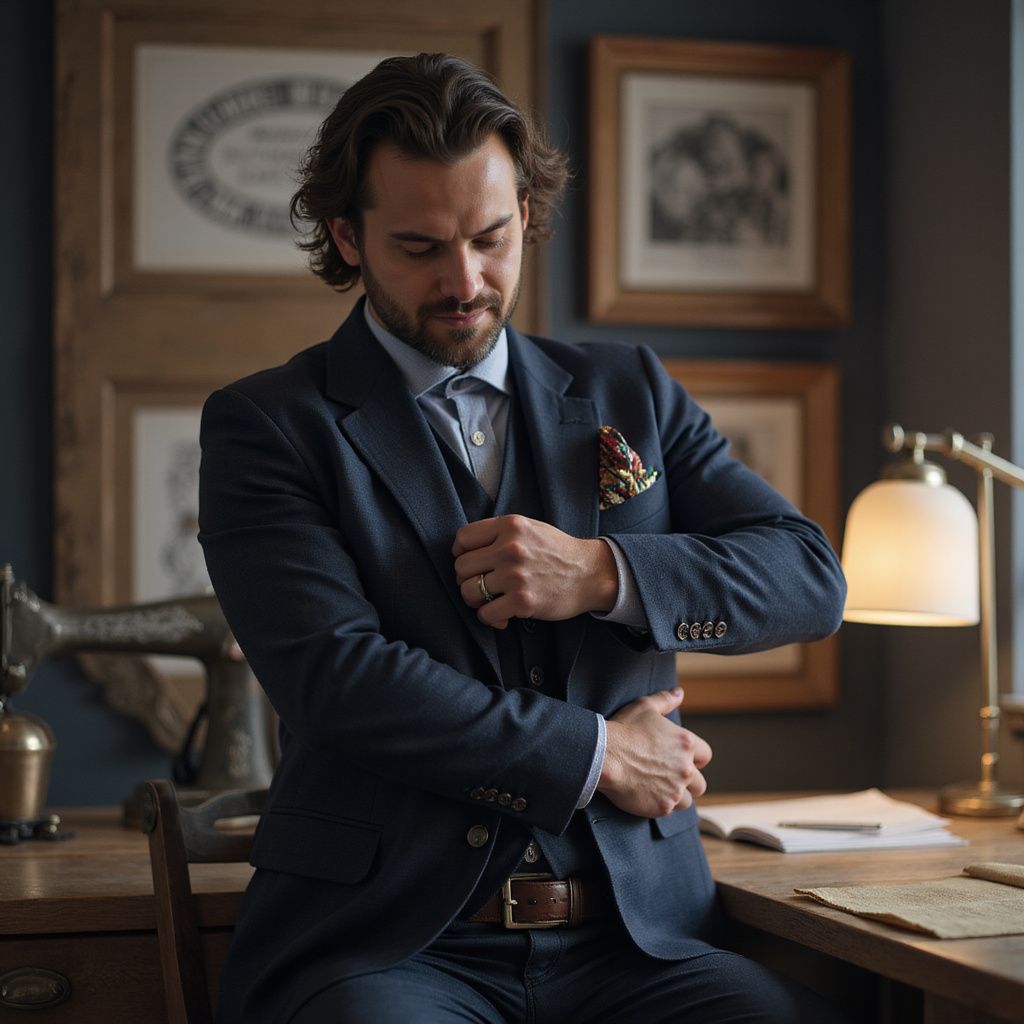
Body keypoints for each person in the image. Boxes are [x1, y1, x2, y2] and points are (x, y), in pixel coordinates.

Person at [199, 53, 848, 1024]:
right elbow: (340, 681)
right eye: (419, 247)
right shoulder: (269, 425)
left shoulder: (629, 389)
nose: (464, 281)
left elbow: (808, 578)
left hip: (639, 943)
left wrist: (603, 571)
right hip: (389, 948)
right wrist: (595, 753)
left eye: (490, 239)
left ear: (525, 217)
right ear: (347, 235)